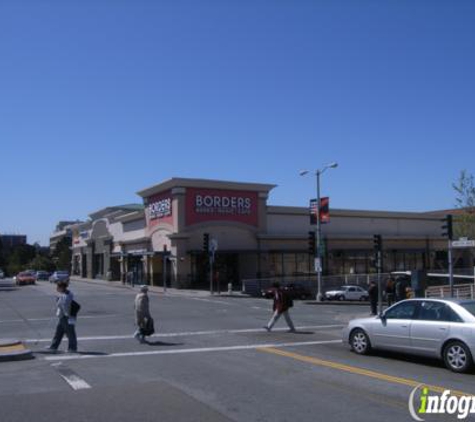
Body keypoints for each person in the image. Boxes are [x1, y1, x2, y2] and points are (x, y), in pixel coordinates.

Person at [47, 280, 78, 353]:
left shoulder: (66, 295)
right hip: (62, 317)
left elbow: (65, 307)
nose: (56, 288)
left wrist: (66, 315)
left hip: (66, 317)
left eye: (58, 287)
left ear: (62, 287)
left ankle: (72, 348)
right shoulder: (64, 294)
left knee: (70, 333)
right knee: (59, 332)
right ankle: (54, 346)